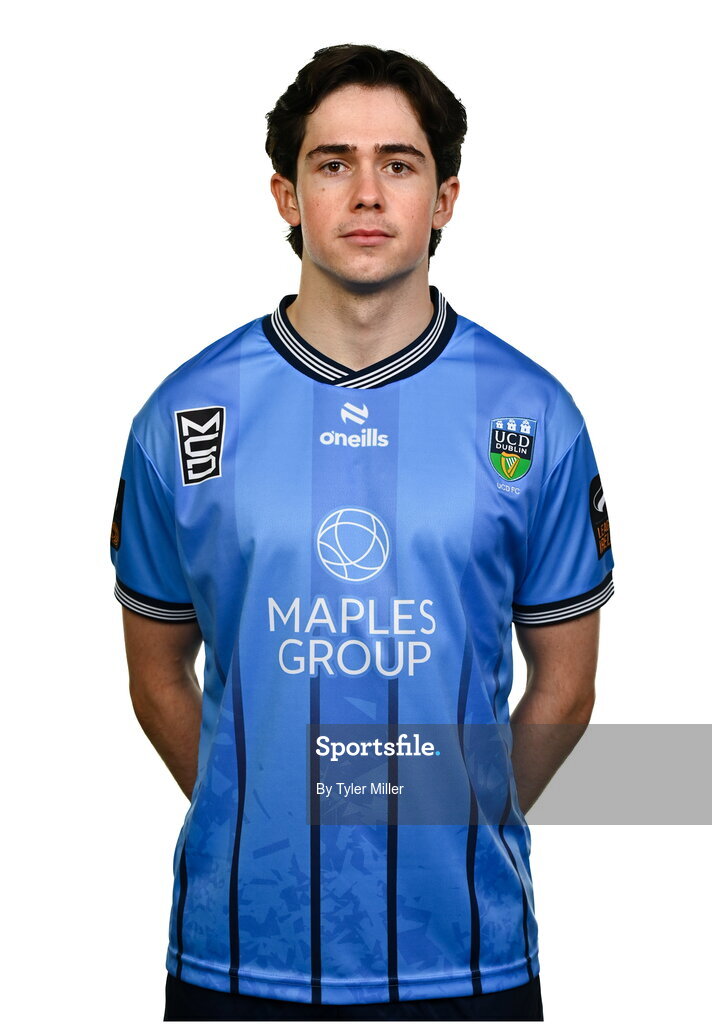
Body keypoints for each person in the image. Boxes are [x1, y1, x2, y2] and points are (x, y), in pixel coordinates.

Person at [110, 43, 613, 1022]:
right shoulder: (184, 417)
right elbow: (155, 670)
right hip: (236, 957)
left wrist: (452, 816)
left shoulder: (532, 415)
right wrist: (260, 811)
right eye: (333, 163)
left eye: (400, 162)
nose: (367, 192)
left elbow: (566, 682)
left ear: (446, 197)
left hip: (466, 958)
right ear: (286, 196)